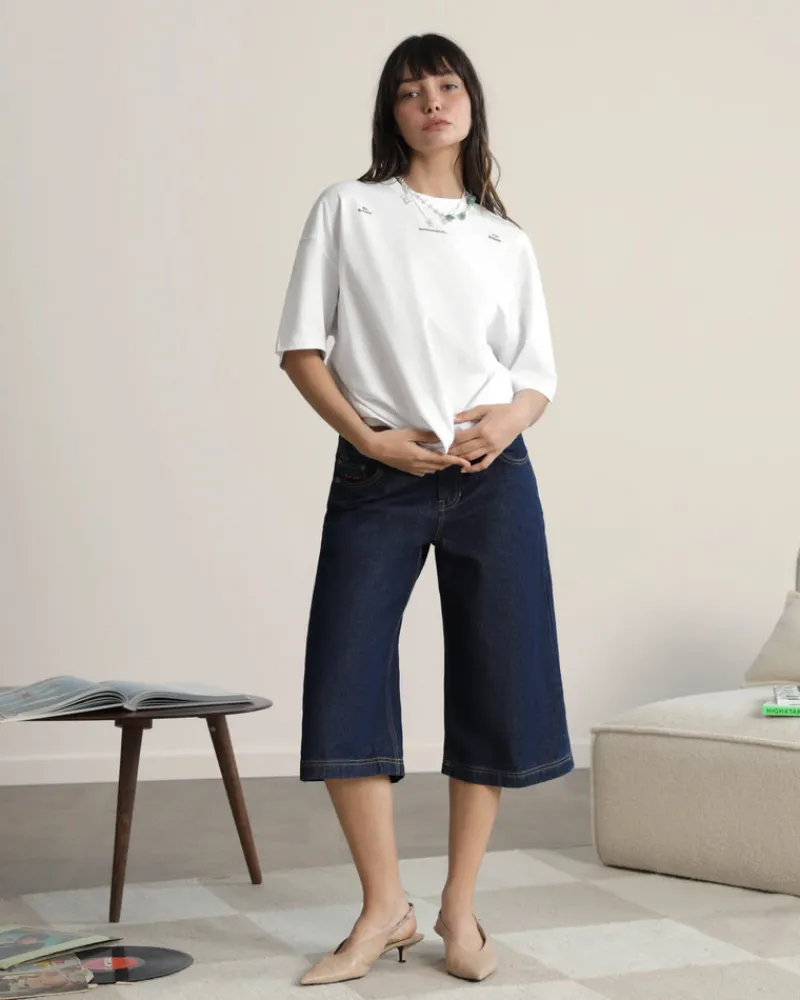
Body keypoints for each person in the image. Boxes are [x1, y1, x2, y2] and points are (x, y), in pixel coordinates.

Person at [275, 32, 573, 987]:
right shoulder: (349, 209)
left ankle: (458, 908)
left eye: (447, 87)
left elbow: (534, 376)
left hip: (493, 477)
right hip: (379, 475)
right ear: (391, 112)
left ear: (471, 104)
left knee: (496, 680)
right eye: (411, 92)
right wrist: (369, 441)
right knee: (347, 676)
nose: (432, 104)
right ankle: (383, 908)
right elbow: (301, 349)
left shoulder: (503, 238)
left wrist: (508, 422)